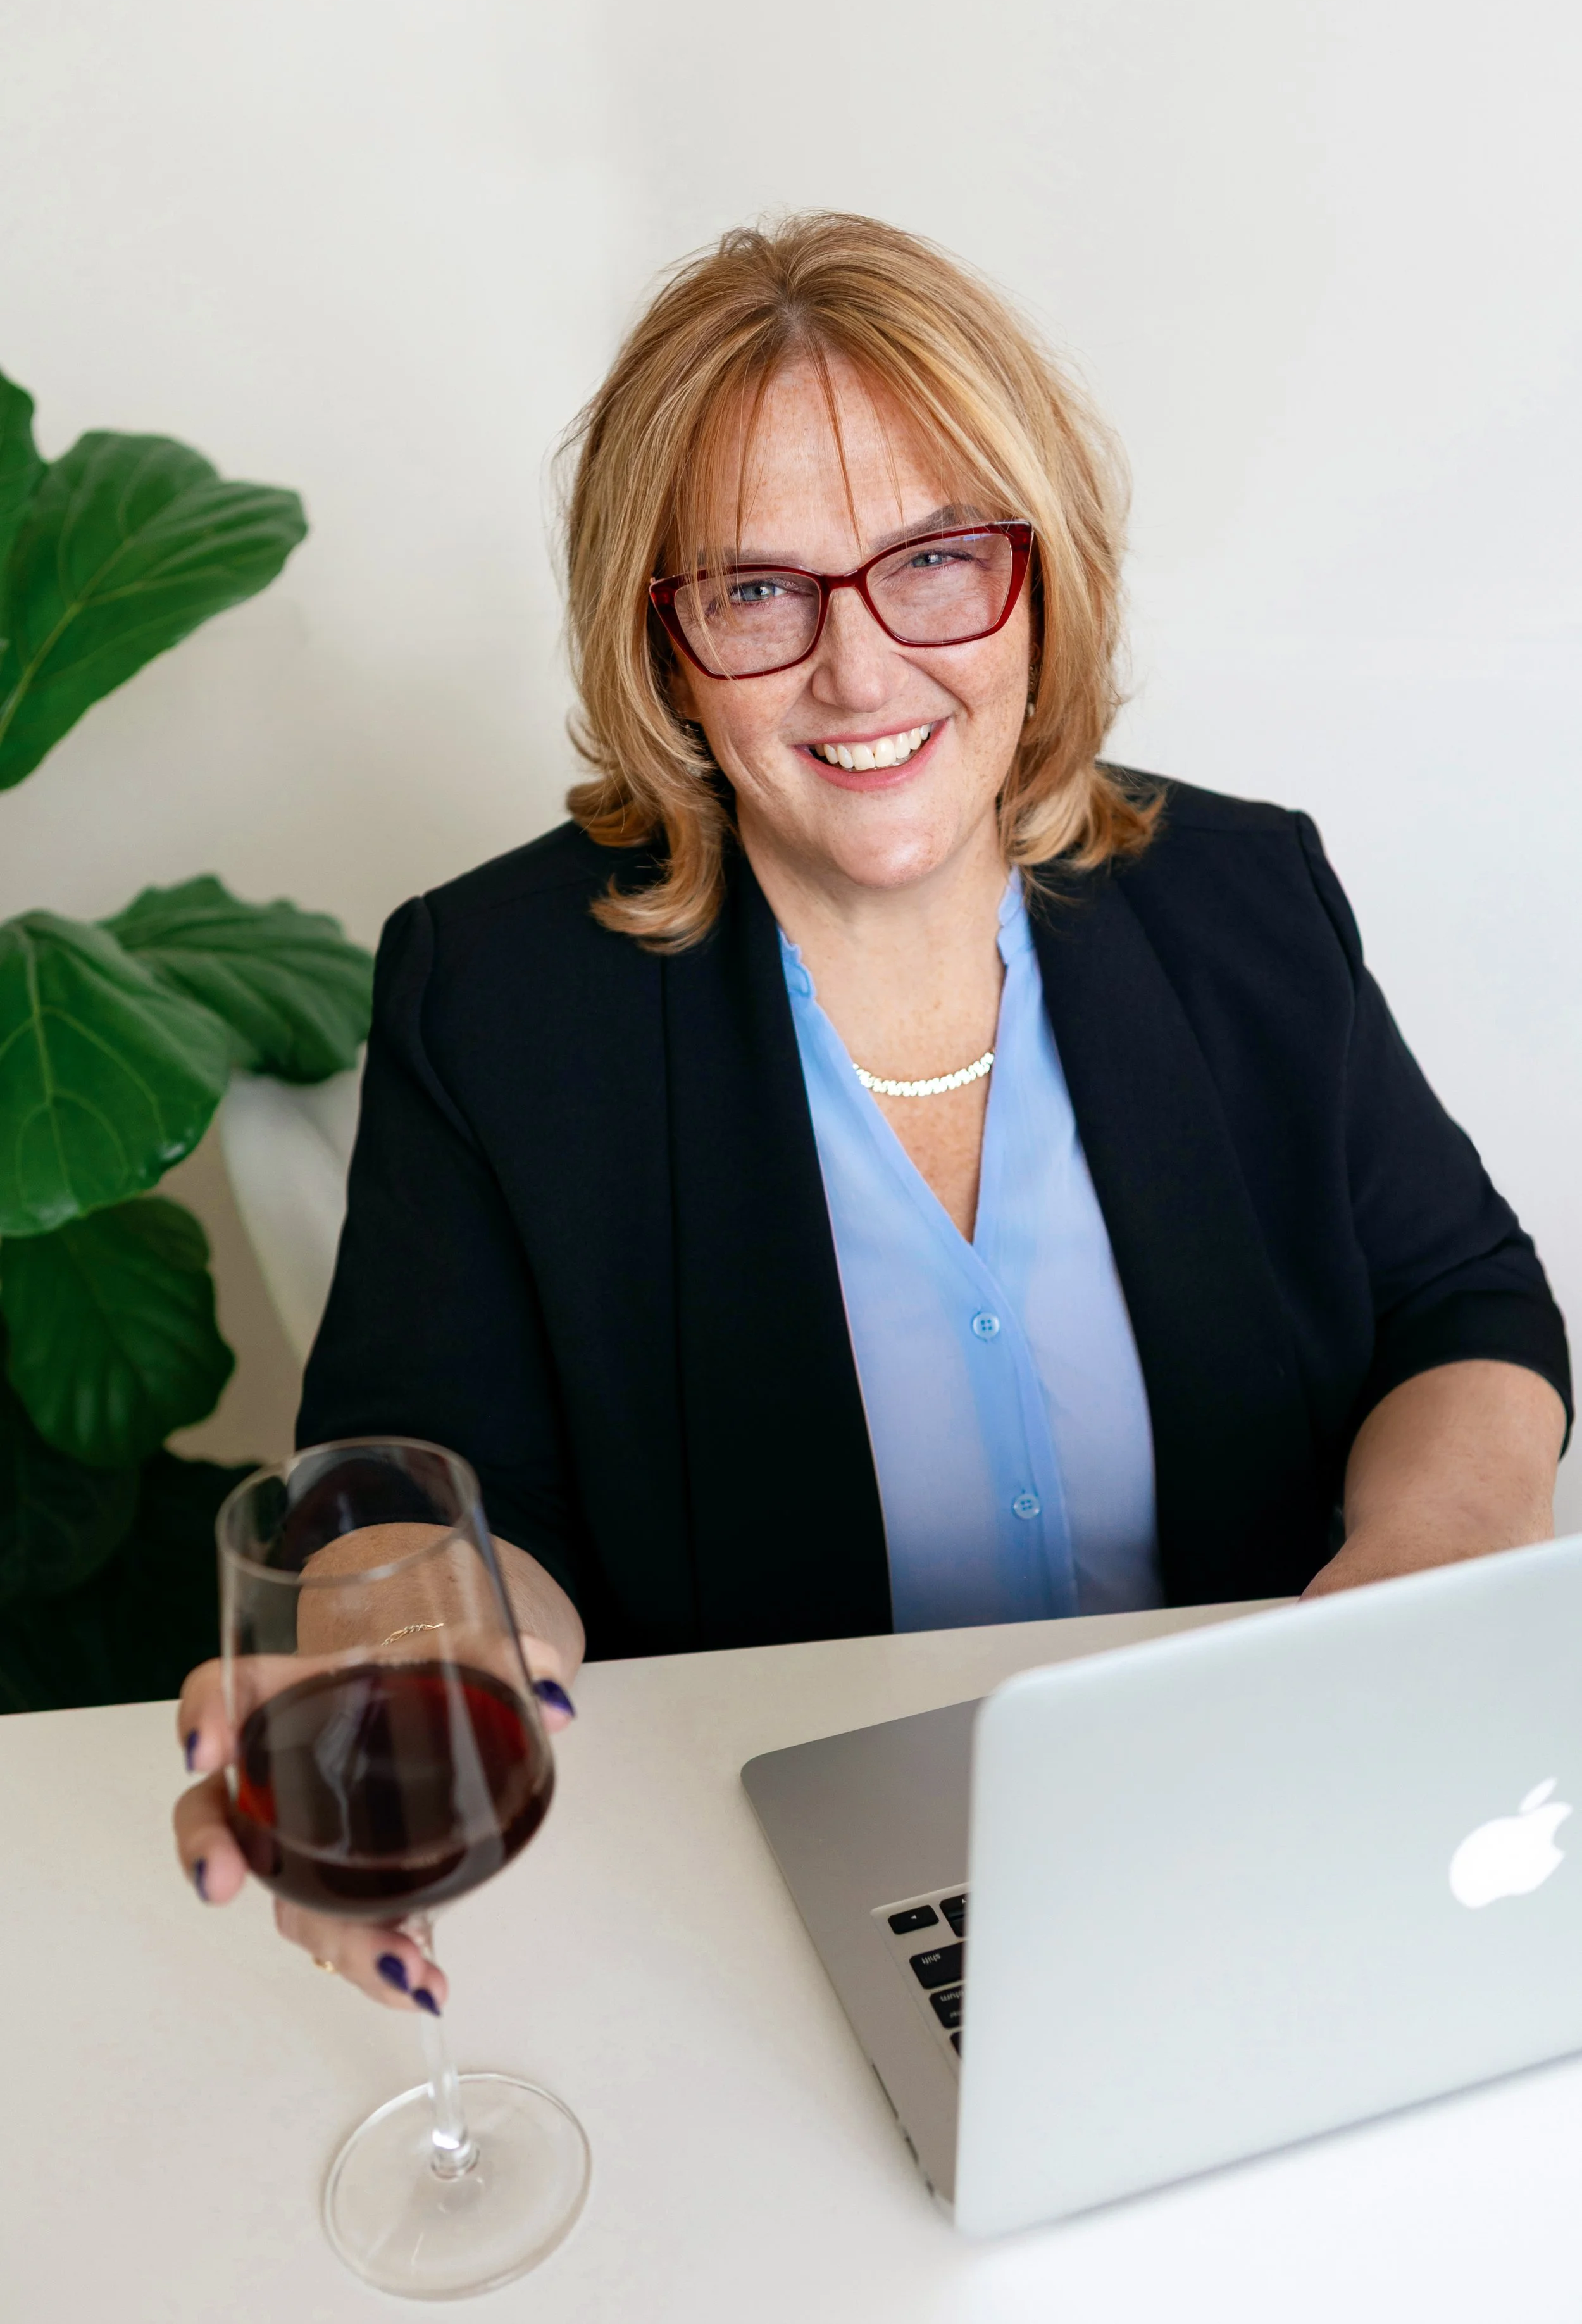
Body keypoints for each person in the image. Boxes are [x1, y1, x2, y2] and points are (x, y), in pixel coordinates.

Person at [174, 211, 1571, 2009]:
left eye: (933, 560)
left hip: (1265, 1819)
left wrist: (1431, 1559)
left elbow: (1457, 1300)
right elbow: (417, 1481)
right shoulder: (497, 990)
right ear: (662, 644)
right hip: (776, 1908)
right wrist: (407, 1643)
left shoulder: (1240, 895)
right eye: (756, 590)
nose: (857, 668)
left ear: (1040, 576)